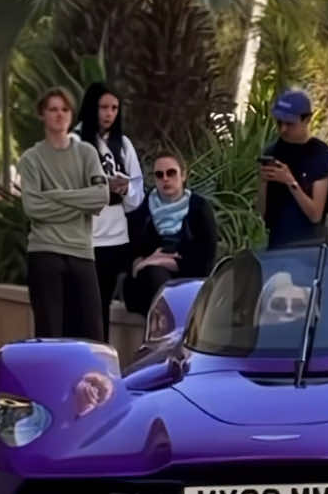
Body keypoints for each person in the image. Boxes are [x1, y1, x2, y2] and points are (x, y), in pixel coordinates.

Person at [18, 89, 109, 339]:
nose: (60, 115)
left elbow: (101, 197)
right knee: (50, 334)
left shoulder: (87, 153)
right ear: (42, 115)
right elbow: (33, 207)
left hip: (81, 251)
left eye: (65, 109)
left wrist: (55, 195)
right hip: (44, 251)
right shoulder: (31, 159)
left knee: (93, 333)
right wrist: (80, 200)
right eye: (53, 109)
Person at [74, 81, 145, 341]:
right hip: (83, 234)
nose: (109, 114)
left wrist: (125, 188)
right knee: (82, 301)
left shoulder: (123, 144)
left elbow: (137, 193)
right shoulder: (75, 140)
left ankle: (100, 354)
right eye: (103, 107)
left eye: (114, 108)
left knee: (102, 300)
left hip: (115, 235)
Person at [123, 149, 218, 319]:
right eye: (159, 175)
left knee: (168, 282)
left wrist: (165, 261)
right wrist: (151, 262)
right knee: (155, 274)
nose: (165, 179)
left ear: (183, 175)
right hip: (148, 282)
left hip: (190, 279)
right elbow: (132, 257)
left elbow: (205, 260)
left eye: (171, 173)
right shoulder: (142, 211)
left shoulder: (199, 208)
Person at [258, 89, 328, 249]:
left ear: (307, 120)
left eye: (290, 124)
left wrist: (290, 181)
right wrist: (262, 182)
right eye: (279, 123)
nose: (283, 130)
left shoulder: (320, 154)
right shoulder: (273, 152)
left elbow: (315, 215)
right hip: (278, 243)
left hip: (309, 246)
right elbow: (262, 212)